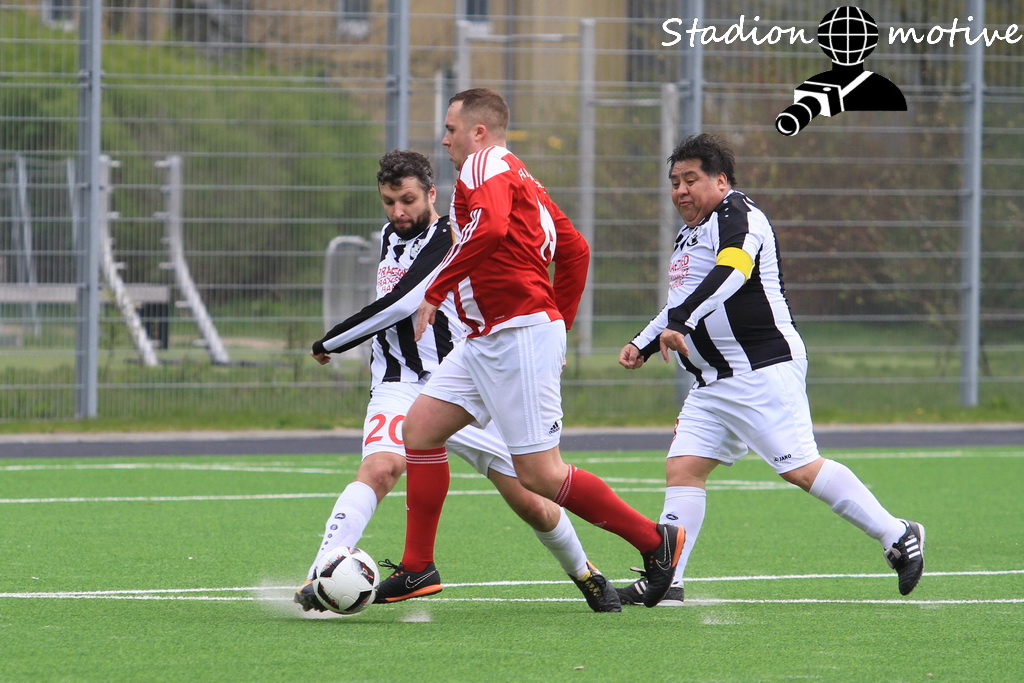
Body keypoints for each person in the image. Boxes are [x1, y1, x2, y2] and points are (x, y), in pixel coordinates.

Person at [373, 88, 683, 609]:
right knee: (420, 430)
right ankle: (417, 567)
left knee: (540, 475)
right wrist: (559, 325)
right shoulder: (521, 177)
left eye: (450, 129)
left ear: (478, 132)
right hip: (490, 337)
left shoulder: (483, 163)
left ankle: (655, 542)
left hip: (514, 333)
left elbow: (494, 228)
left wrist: (438, 289)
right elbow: (575, 249)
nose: (444, 140)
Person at [293, 149, 621, 613]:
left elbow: (402, 302)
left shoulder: (452, 234)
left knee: (532, 500)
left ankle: (587, 575)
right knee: (380, 468)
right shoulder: (389, 236)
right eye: (389, 202)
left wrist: (331, 341)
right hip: (399, 383)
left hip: (463, 386)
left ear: (432, 194)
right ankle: (318, 577)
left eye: (407, 200)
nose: (398, 212)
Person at [614, 133, 925, 605]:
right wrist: (643, 341)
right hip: (712, 383)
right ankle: (668, 578)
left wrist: (681, 322)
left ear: (721, 181)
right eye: (675, 182)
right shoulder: (690, 233)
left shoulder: (738, 215)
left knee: (800, 468)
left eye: (691, 180)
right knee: (683, 470)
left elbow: (734, 270)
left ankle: (897, 533)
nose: (680, 191)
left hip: (760, 368)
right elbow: (682, 301)